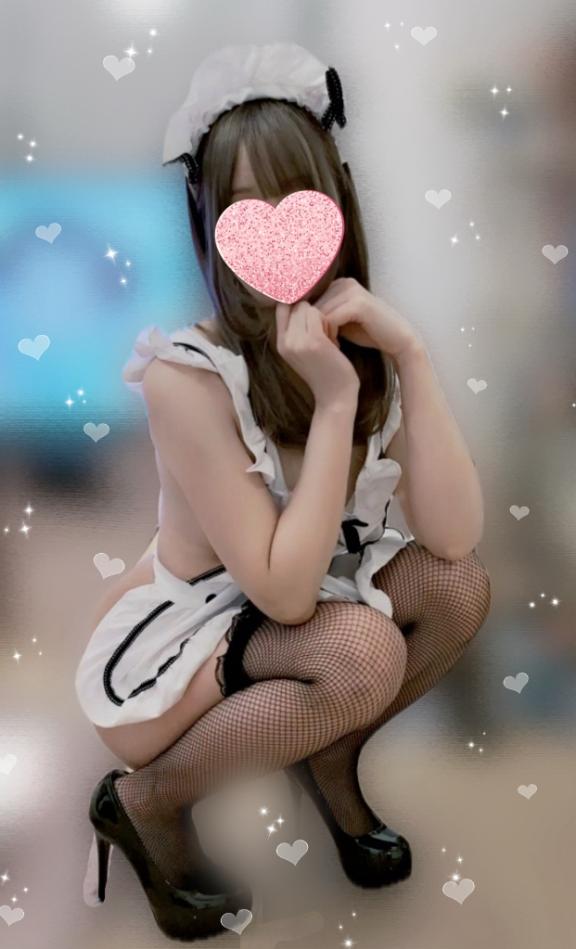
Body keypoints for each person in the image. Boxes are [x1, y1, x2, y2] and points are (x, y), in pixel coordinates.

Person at [75, 42, 492, 940]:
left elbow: (454, 536)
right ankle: (144, 800)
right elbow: (284, 593)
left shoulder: (356, 333)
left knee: (458, 588)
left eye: (295, 199)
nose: (274, 232)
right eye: (244, 205)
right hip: (198, 631)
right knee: (362, 653)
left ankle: (327, 752)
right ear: (209, 221)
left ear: (336, 203)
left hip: (304, 596)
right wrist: (336, 403)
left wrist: (411, 355)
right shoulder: (186, 375)